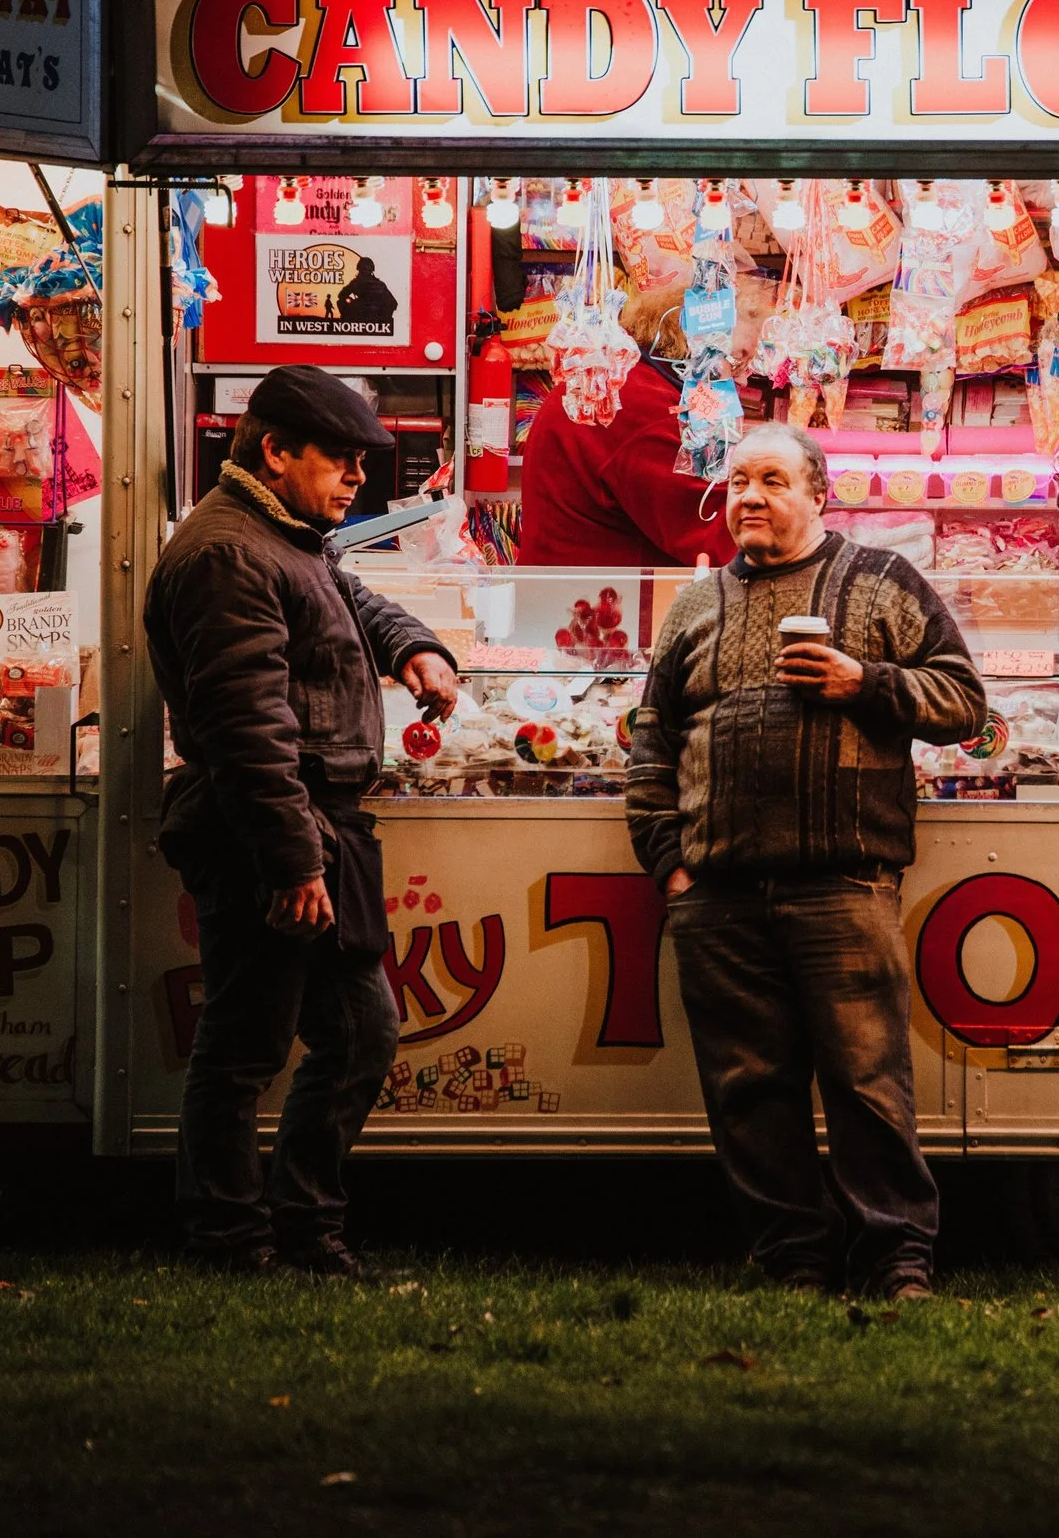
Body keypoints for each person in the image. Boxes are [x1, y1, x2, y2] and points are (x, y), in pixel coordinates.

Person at [625, 423, 986, 1300]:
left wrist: (866, 683)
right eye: (739, 480)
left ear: (817, 493)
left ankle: (898, 1259)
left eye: (772, 479)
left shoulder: (882, 582)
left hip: (842, 884)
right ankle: (794, 1259)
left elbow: (965, 701)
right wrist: (670, 863)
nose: (750, 496)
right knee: (749, 1092)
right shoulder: (694, 603)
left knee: (868, 1087)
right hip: (718, 894)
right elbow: (652, 737)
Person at [145, 365, 460, 1278]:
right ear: (275, 451)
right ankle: (232, 1241)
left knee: (359, 1035)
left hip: (315, 832)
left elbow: (347, 596)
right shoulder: (224, 554)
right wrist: (292, 865)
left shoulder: (287, 535)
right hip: (267, 836)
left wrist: (414, 648)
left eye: (365, 461)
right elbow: (248, 728)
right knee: (245, 1049)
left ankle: (305, 1233)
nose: (359, 477)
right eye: (342, 458)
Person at [518, 277, 773, 568]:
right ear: (693, 344)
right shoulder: (643, 407)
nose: (741, 379)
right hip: (599, 602)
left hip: (574, 594)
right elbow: (712, 532)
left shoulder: (628, 381)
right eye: (738, 361)